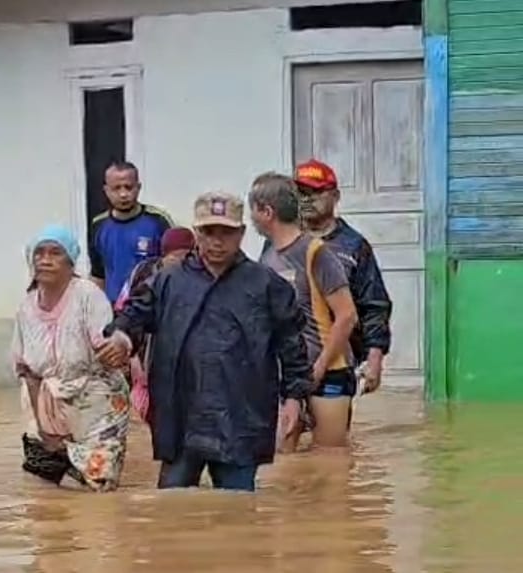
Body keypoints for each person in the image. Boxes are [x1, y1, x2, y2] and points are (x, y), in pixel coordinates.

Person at [96, 192, 311, 492]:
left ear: (242, 233)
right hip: (180, 414)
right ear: (197, 233)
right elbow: (134, 315)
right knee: (173, 513)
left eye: (226, 232)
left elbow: (292, 345)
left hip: (240, 416)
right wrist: (120, 338)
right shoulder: (167, 281)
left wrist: (294, 398)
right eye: (209, 232)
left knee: (238, 511)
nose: (217, 241)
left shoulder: (266, 285)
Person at [12, 224, 130, 492]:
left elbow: (108, 349)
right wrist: (44, 426)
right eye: (39, 253)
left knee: (95, 483)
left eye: (55, 253)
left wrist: (119, 346)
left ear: (70, 261)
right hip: (46, 399)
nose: (45, 259)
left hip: (97, 401)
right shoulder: (26, 308)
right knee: (43, 480)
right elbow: (28, 372)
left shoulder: (88, 296)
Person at [250, 173, 358, 448]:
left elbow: (347, 315)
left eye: (252, 209)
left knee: (330, 460)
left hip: (329, 372)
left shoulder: (315, 252)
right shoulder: (267, 255)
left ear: (266, 211)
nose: (250, 218)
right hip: (287, 375)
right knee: (281, 459)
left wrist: (319, 367)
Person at [293, 159, 392, 394]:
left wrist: (375, 359)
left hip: (337, 362)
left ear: (335, 196)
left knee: (331, 431)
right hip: (290, 360)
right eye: (300, 193)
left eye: (315, 192)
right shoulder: (281, 242)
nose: (306, 199)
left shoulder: (354, 246)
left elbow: (374, 306)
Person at [114, 226, 196, 424]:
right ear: (164, 255)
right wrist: (130, 352)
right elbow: (125, 309)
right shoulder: (143, 272)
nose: (181, 262)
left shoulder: (198, 278)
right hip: (146, 359)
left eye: (187, 256)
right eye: (175, 256)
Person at [89, 161, 174, 304]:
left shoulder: (159, 221)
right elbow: (98, 275)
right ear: (106, 190)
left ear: (138, 187)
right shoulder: (98, 225)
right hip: (114, 310)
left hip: (152, 309)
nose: (123, 194)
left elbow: (176, 268)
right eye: (116, 188)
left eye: (129, 187)